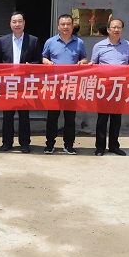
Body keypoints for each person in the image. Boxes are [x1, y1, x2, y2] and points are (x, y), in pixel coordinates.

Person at [0, 12, 42, 154]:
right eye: (14, 22)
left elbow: (39, 62)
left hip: (25, 84)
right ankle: (7, 142)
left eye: (20, 21)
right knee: (7, 116)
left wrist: (30, 65)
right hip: (8, 84)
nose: (17, 24)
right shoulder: (2, 41)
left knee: (24, 115)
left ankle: (25, 143)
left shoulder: (33, 40)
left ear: (24, 23)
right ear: (10, 24)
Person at [42, 13, 88, 155]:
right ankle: (50, 144)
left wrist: (82, 62)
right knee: (52, 117)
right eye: (63, 24)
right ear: (58, 26)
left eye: (68, 24)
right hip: (54, 85)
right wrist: (48, 62)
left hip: (71, 85)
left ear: (72, 26)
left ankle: (69, 145)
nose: (66, 27)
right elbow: (43, 57)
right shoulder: (50, 42)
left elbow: (85, 58)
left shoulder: (79, 42)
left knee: (70, 118)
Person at [90, 18, 129, 156]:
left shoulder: (127, 45)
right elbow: (93, 64)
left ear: (122, 30)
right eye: (114, 27)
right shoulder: (99, 46)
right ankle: (100, 147)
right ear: (108, 29)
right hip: (104, 87)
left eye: (119, 28)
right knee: (102, 118)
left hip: (120, 87)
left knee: (116, 118)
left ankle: (114, 146)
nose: (116, 30)